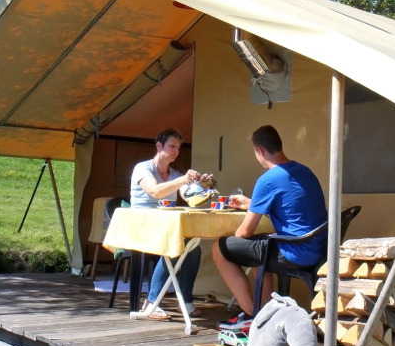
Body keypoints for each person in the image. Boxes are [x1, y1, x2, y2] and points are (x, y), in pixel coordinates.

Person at [212, 125, 327, 331]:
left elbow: (244, 233)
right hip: (318, 249)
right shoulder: (304, 171)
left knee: (219, 248)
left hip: (295, 253)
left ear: (260, 151)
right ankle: (265, 311)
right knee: (259, 249)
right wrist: (251, 204)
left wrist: (244, 221)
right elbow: (291, 205)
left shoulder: (267, 179)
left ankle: (251, 314)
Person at [130, 128, 207, 320]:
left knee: (194, 247)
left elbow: (190, 198)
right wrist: (183, 179)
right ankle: (151, 302)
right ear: (159, 146)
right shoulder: (143, 169)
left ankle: (185, 301)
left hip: (165, 227)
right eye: (172, 146)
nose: (176, 151)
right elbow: (154, 191)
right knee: (176, 243)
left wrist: (202, 186)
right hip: (142, 226)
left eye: (178, 147)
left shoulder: (175, 174)